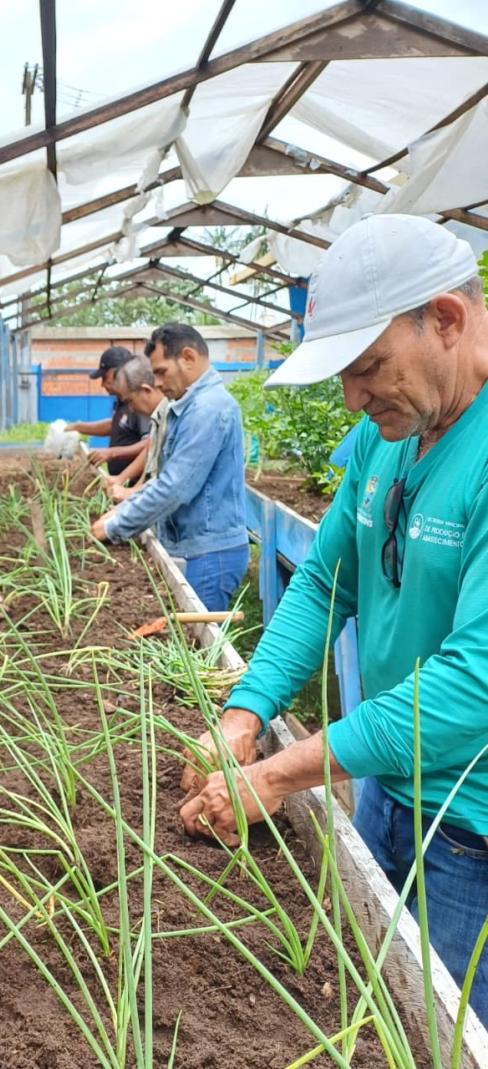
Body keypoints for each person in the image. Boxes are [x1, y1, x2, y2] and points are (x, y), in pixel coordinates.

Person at [178, 214, 488, 1025]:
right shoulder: (387, 436)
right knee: (367, 1001)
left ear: (447, 322)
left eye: (370, 366)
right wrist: (244, 715)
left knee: (441, 1032)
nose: (353, 397)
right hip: (389, 780)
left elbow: (473, 685)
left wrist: (278, 774)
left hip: (475, 832)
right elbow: (324, 583)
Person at [91, 323, 249, 612]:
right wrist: (124, 510)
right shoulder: (188, 406)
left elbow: (175, 487)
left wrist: (116, 526)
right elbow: (167, 478)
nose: (159, 384)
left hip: (209, 552)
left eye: (162, 372)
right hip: (194, 547)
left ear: (188, 357)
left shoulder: (208, 409)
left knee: (200, 650)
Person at [66, 345, 149, 475]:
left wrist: (112, 454)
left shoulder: (139, 402)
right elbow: (116, 426)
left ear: (121, 371)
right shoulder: (122, 401)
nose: (103, 384)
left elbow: (151, 444)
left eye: (105, 377)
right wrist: (77, 427)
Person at [103, 356, 169, 503]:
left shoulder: (173, 418)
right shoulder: (159, 417)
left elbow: (172, 481)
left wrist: (132, 492)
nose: (131, 408)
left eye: (130, 401)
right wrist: (124, 484)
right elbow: (151, 451)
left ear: (146, 390)